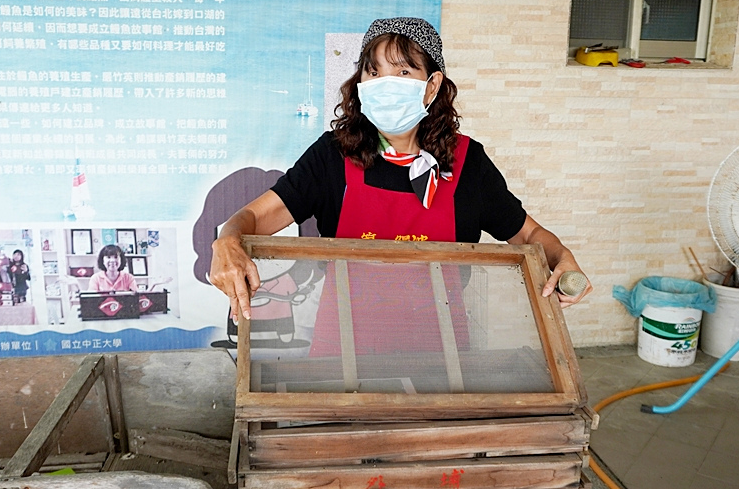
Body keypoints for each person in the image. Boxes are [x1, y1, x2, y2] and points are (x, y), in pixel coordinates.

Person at [209, 17, 591, 329]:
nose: (385, 85)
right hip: (341, 350)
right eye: (373, 73)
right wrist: (227, 239)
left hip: (444, 356)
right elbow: (254, 218)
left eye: (403, 71)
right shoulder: (333, 155)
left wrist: (563, 257)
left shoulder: (467, 163)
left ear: (432, 86)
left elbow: (529, 234)